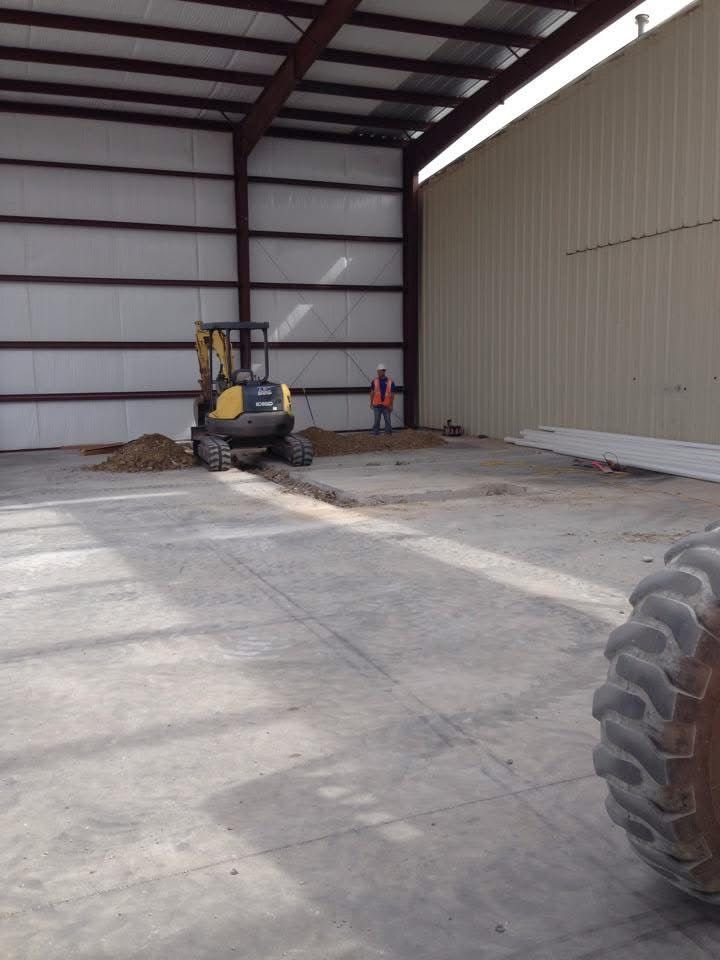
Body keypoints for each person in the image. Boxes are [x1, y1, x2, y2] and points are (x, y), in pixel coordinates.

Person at [369, 364, 395, 435]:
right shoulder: (374, 381)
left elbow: (392, 394)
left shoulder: (390, 382)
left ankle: (388, 433)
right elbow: (372, 393)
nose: (379, 373)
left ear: (384, 371)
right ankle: (375, 433)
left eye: (380, 371)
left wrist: (391, 405)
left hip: (386, 405)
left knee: (387, 420)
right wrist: (371, 403)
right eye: (378, 371)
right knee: (376, 420)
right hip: (377, 405)